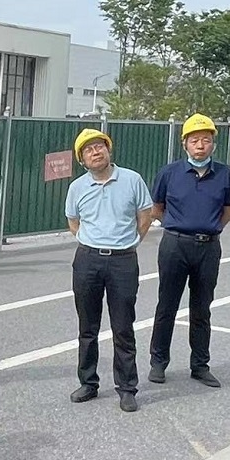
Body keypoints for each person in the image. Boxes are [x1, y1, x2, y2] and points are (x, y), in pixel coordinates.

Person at [65, 128, 153, 413]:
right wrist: (92, 241)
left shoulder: (132, 180)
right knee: (87, 327)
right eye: (88, 150)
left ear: (108, 149)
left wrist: (129, 242)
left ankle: (127, 388)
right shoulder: (77, 187)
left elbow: (145, 216)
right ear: (82, 159)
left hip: (123, 261)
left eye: (99, 146)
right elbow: (73, 222)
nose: (95, 152)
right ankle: (88, 382)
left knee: (123, 327)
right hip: (87, 260)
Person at [148, 114, 230, 391]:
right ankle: (158, 362)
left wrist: (210, 229)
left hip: (208, 247)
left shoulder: (224, 173)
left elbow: (228, 210)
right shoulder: (169, 173)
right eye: (195, 140)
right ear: (184, 143)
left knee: (202, 308)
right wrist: (178, 225)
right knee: (167, 305)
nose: (200, 145)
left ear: (213, 145)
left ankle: (200, 365)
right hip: (175, 245)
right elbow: (156, 209)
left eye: (206, 140)